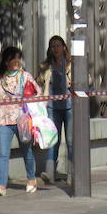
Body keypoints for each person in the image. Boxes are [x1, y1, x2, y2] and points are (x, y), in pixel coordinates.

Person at [0, 46, 40, 196]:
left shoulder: (26, 76)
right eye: (12, 58)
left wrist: (33, 105)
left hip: (23, 119)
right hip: (3, 120)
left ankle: (32, 179)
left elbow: (38, 92)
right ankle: (2, 185)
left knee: (27, 151)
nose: (16, 61)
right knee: (2, 153)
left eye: (18, 58)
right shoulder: (0, 79)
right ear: (6, 61)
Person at [37, 35, 73, 183]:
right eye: (53, 46)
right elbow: (38, 83)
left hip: (70, 106)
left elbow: (87, 82)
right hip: (52, 107)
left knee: (71, 140)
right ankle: (50, 172)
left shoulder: (72, 64)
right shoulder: (46, 66)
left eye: (58, 46)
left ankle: (73, 172)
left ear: (64, 47)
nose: (56, 49)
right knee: (52, 139)